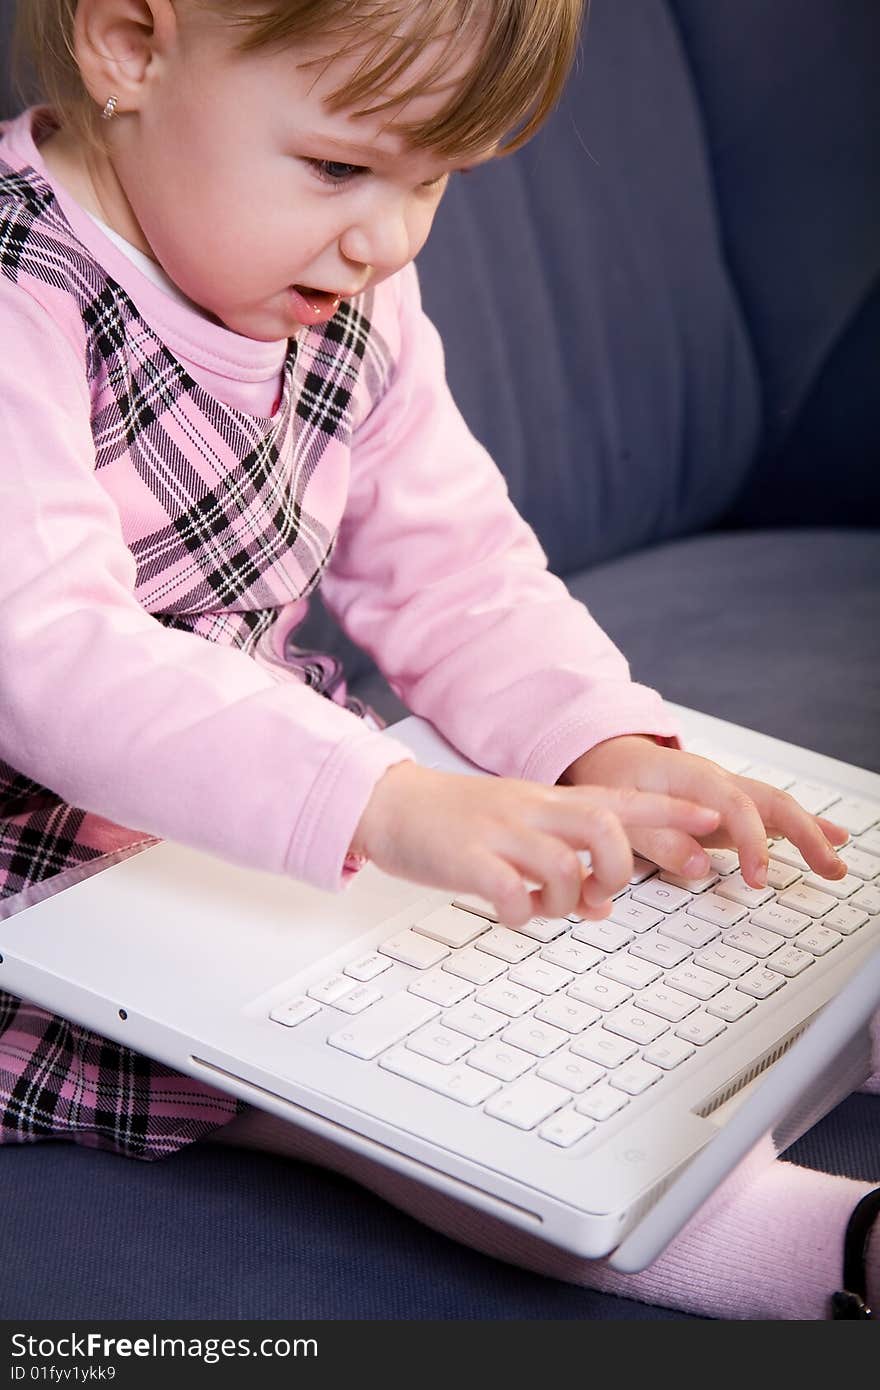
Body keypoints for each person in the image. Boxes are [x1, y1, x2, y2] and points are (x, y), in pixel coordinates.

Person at [0, 0, 876, 1320]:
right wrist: (394, 803)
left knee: (669, 913)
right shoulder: (25, 291)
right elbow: (50, 655)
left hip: (260, 787)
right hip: (34, 873)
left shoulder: (345, 283)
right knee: (461, 1106)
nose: (388, 237)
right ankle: (830, 1245)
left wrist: (607, 745)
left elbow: (455, 565)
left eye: (437, 180)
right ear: (130, 45)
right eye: (344, 167)